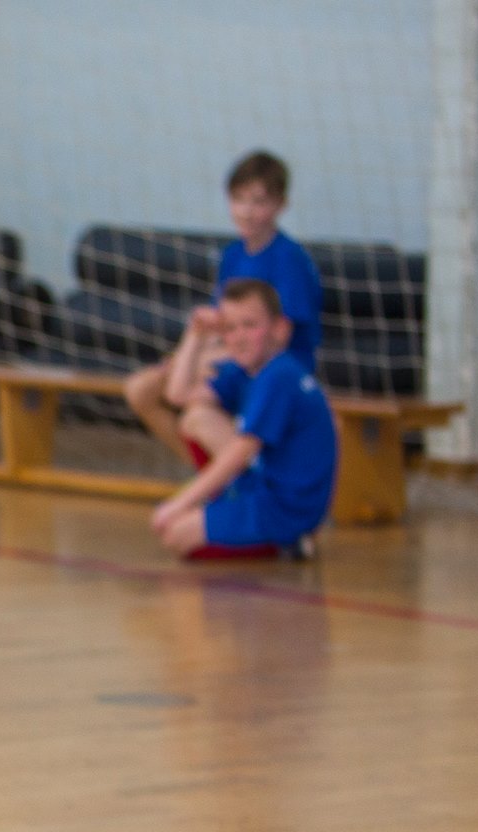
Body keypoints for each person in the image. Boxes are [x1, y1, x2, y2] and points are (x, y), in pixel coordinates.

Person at [125, 150, 323, 466]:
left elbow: (279, 338)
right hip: (232, 355)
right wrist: (184, 356)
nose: (246, 211)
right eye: (239, 200)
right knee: (140, 389)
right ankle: (211, 475)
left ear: (280, 205)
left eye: (258, 202)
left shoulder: (289, 260)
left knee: (194, 405)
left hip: (275, 364)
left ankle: (241, 476)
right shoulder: (233, 255)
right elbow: (222, 325)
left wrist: (204, 360)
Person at [151, 279, 336, 559]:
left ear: (280, 329)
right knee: (195, 418)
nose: (239, 337)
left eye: (250, 325)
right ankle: (232, 506)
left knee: (180, 536)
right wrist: (196, 334)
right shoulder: (247, 371)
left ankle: (288, 543)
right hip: (266, 489)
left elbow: (243, 450)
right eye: (229, 328)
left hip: (285, 507)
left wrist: (181, 502)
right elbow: (178, 395)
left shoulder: (279, 375)